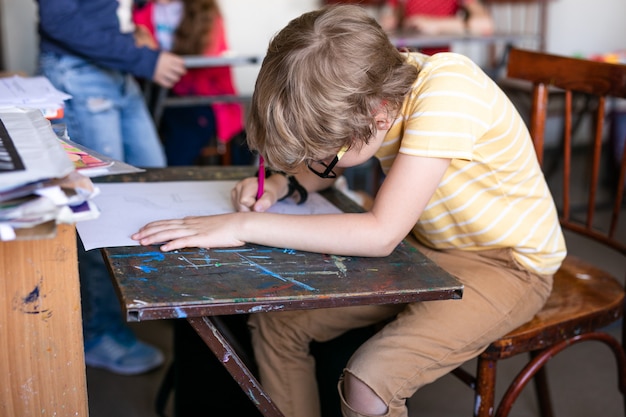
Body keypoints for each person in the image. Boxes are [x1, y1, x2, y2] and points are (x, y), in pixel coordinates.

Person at [132, 5, 566, 417]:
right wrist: (284, 184)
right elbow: (339, 160)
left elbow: (380, 234)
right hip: (429, 247)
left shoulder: (449, 94)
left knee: (370, 381)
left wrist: (243, 224)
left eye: (323, 156)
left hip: (510, 265)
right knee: (278, 326)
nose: (319, 166)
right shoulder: (376, 83)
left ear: (377, 117)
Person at [37, 0, 186, 375]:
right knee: (100, 208)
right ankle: (99, 332)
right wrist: (145, 61)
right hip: (81, 70)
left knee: (153, 184)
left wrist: (132, 33)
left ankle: (141, 306)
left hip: (115, 64)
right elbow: (61, 19)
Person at [133, 0, 247, 165]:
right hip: (154, 92)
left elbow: (206, 65)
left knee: (182, 132)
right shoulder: (142, 8)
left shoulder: (205, 11)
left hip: (200, 96)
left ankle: (167, 176)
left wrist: (154, 55)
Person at [379, 0, 494, 55]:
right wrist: (400, 8)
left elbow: (485, 24)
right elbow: (387, 24)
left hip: (438, 60)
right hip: (404, 58)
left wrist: (436, 25)